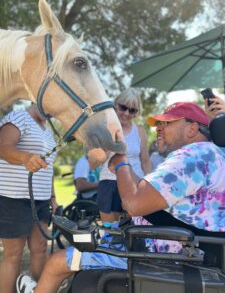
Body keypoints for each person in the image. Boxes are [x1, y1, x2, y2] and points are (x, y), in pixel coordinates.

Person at [16, 101, 225, 293]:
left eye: (167, 123)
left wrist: (121, 163)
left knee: (56, 262)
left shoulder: (190, 158)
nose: (158, 128)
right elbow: (144, 188)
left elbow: (134, 204)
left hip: (161, 252)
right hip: (182, 246)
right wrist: (121, 160)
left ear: (192, 128)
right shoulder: (211, 154)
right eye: (158, 124)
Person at [0, 103, 58, 293]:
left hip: (40, 200)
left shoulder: (48, 130)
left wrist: (52, 198)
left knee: (40, 247)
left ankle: (38, 290)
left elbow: (48, 169)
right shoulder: (18, 117)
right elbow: (3, 147)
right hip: (13, 197)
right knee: (13, 254)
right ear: (36, 96)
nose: (51, 109)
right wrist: (25, 157)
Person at [97, 90, 151, 222]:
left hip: (136, 184)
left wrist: (149, 185)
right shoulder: (103, 128)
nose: (126, 113)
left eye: (132, 110)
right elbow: (98, 159)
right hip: (110, 183)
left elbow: (145, 161)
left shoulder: (140, 131)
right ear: (115, 105)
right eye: (123, 107)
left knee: (136, 231)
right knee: (111, 233)